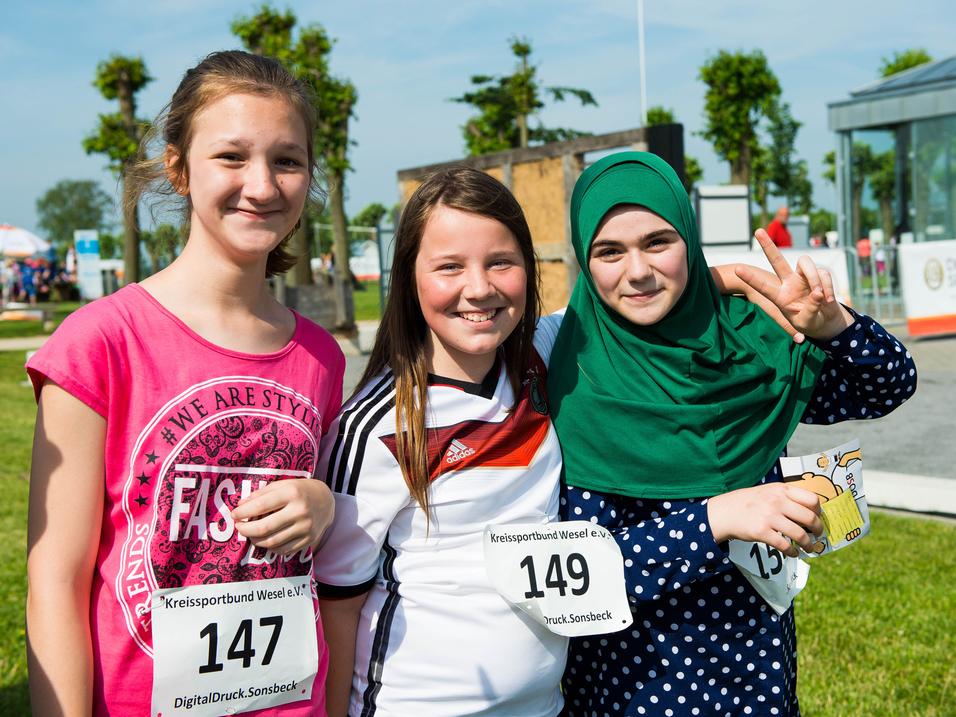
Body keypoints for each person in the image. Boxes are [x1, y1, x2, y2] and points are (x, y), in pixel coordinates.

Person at [312, 166, 798, 717]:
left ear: (529, 269)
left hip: (546, 705)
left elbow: (625, 293)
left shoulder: (548, 353)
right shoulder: (377, 424)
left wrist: (724, 278)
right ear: (407, 278)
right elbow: (337, 605)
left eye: (501, 262)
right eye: (449, 267)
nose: (480, 288)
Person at [26, 50, 345, 716]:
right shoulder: (101, 342)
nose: (261, 185)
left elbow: (331, 525)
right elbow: (56, 576)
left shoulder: (322, 356)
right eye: (231, 157)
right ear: (178, 167)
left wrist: (323, 503)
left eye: (287, 160)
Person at [548, 152, 917, 717]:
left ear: (690, 241)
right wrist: (714, 520)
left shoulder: (747, 340)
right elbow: (582, 583)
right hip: (634, 686)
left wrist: (832, 325)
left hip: (759, 674)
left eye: (658, 242)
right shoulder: (570, 377)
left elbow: (887, 385)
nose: (638, 270)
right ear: (584, 260)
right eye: (609, 251)